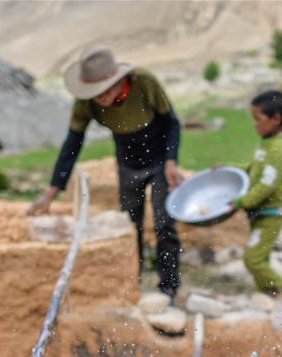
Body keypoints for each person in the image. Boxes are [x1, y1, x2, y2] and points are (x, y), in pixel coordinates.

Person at [28, 45, 184, 300]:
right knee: (129, 225)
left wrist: (171, 161)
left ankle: (169, 286)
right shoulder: (85, 103)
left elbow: (172, 123)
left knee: (163, 223)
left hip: (158, 161)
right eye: (93, 92)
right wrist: (51, 192)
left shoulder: (144, 82)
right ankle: (131, 283)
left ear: (121, 80)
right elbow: (72, 143)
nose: (99, 97)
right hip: (127, 163)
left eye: (105, 90)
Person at [229, 90, 282, 297]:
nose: (254, 124)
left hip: (271, 215)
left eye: (258, 119)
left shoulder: (279, 150)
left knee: (252, 259)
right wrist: (229, 169)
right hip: (260, 214)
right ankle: (268, 294)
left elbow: (266, 186)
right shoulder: (267, 145)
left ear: (275, 119)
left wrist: (240, 201)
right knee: (260, 258)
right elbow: (253, 168)